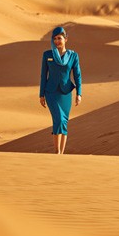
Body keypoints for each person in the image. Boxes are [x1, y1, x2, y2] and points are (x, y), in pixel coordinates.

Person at [39, 26, 82, 154]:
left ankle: (61, 154)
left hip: (66, 93)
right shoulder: (47, 55)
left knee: (64, 122)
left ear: (66, 39)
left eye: (60, 38)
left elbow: (77, 75)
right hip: (51, 92)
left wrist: (79, 93)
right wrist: (41, 95)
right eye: (55, 39)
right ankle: (56, 152)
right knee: (58, 119)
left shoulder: (73, 56)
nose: (57, 41)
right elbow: (43, 75)